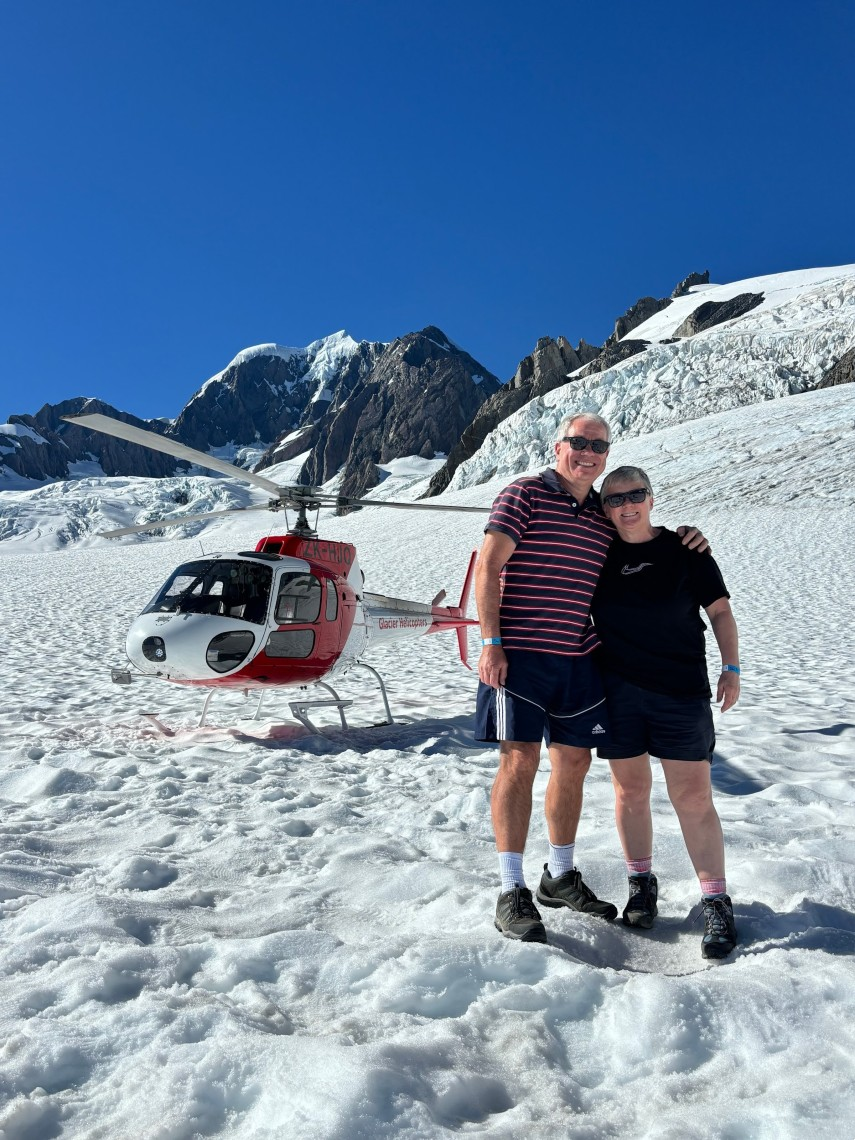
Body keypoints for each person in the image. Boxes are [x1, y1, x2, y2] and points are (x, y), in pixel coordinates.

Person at [475, 413, 707, 944]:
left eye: (598, 445)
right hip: (521, 655)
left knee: (574, 763)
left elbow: (641, 539)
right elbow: (488, 566)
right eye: (578, 442)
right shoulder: (524, 495)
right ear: (558, 446)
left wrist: (688, 538)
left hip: (580, 659)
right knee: (519, 760)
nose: (588, 452)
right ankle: (511, 889)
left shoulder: (603, 515)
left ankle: (558, 875)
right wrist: (491, 642)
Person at [591, 465, 740, 959]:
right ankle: (641, 885)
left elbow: (720, 611)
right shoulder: (597, 553)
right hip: (617, 694)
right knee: (630, 792)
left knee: (693, 798)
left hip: (681, 693)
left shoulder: (686, 550)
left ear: (651, 498)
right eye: (614, 499)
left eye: (635, 494)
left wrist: (731, 667)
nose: (626, 505)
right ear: (604, 508)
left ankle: (715, 901)